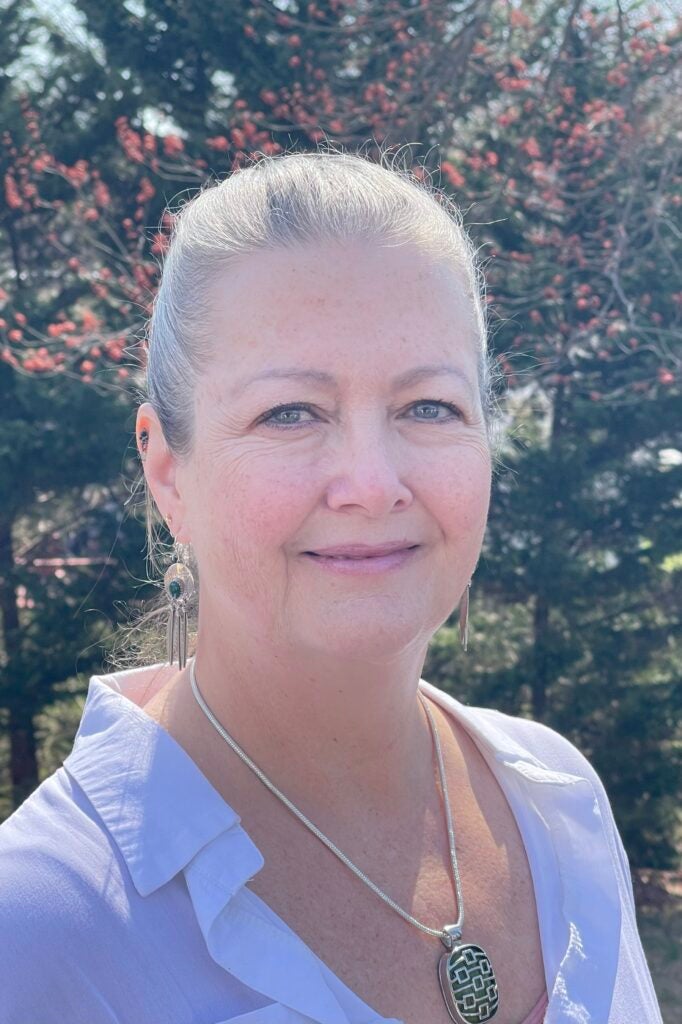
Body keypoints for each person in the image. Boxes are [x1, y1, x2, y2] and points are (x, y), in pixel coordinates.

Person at [0, 150, 663, 1024]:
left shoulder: (558, 800)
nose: (371, 480)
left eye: (429, 406)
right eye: (290, 413)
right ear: (166, 469)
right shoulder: (46, 928)